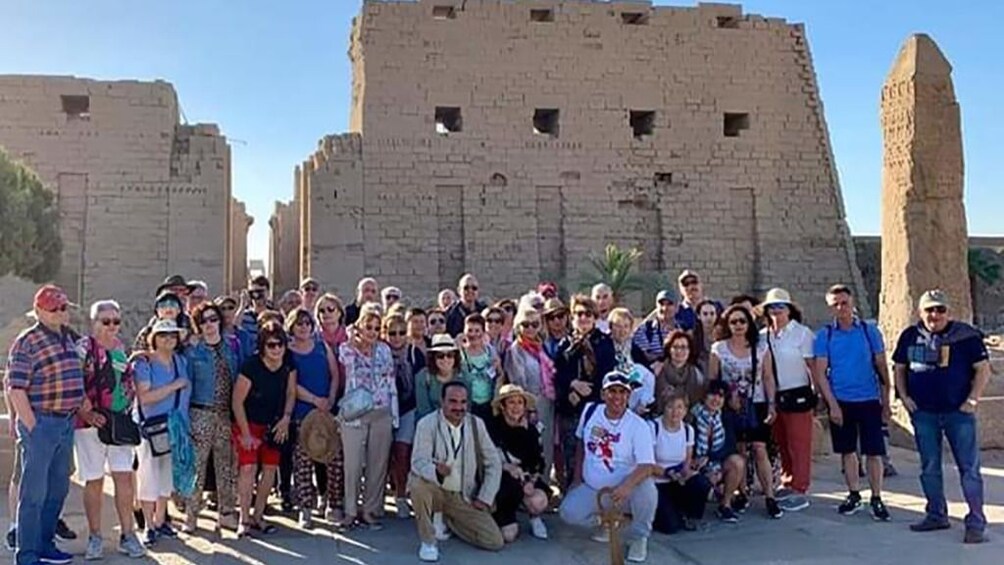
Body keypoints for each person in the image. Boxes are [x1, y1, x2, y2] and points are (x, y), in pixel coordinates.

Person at [893, 290, 990, 544]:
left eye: (940, 310)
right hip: (924, 412)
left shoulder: (966, 337)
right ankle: (936, 514)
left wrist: (973, 399)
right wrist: (904, 397)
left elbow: (982, 370)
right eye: (929, 310)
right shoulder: (910, 336)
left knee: (968, 468)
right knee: (929, 467)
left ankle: (976, 522)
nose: (934, 315)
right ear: (920, 312)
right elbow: (900, 368)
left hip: (958, 412)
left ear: (948, 311)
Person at [4, 285, 85, 565]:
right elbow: (16, 388)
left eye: (64, 307)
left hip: (65, 423)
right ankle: (26, 555)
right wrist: (32, 427)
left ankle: (45, 544)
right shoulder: (27, 342)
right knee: (33, 493)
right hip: (42, 423)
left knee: (58, 489)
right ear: (38, 311)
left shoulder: (69, 338)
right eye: (55, 308)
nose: (62, 313)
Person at [71, 300, 145, 559]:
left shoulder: (120, 349)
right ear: (94, 322)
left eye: (116, 320)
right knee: (94, 480)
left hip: (119, 423)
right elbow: (72, 380)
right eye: (106, 321)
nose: (112, 326)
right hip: (90, 425)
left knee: (124, 477)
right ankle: (95, 536)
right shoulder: (83, 348)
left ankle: (128, 534)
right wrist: (85, 411)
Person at [812, 284, 892, 521]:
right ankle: (854, 493)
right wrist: (832, 404)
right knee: (847, 451)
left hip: (868, 398)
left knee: (874, 452)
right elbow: (820, 372)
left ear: (852, 302)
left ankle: (876, 496)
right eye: (835, 304)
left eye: (844, 303)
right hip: (842, 400)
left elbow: (881, 368)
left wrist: (886, 402)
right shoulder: (825, 335)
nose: (840, 308)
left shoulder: (869, 331)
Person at [559, 371, 656, 563]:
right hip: (594, 488)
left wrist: (626, 486)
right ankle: (607, 522)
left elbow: (647, 466)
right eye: (612, 391)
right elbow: (581, 445)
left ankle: (639, 537)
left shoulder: (638, 425)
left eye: (622, 392)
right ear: (603, 394)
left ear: (628, 396)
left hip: (625, 491)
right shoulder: (589, 411)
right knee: (567, 513)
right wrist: (577, 479)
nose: (617, 397)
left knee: (648, 490)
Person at [409, 381, 504, 562]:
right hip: (435, 489)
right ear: (442, 401)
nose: (458, 407)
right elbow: (418, 462)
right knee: (417, 484)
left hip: (462, 495)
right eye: (453, 401)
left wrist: (485, 497)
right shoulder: (426, 424)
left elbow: (493, 462)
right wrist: (436, 471)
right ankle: (428, 541)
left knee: (494, 541)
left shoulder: (477, 424)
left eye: (463, 402)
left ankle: (449, 520)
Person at [708, 305, 781, 519]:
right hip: (730, 406)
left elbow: (768, 377)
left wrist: (771, 404)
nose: (738, 325)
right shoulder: (719, 349)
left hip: (756, 403)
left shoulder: (760, 348)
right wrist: (726, 396)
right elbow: (713, 380)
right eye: (734, 322)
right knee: (738, 449)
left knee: (760, 449)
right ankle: (741, 492)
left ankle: (770, 496)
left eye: (742, 321)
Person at [232, 321, 296, 537]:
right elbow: (237, 401)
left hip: (275, 423)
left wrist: (286, 418)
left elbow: (290, 393)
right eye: (271, 345)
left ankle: (258, 516)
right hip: (249, 421)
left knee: (270, 469)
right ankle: (244, 519)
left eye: (280, 344)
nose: (276, 349)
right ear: (263, 346)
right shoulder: (252, 366)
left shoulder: (288, 363)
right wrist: (246, 433)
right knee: (248, 468)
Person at [182, 303, 240, 534]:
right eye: (204, 320)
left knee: (225, 466)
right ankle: (191, 514)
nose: (209, 324)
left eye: (212, 319)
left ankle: (226, 512)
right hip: (201, 412)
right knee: (197, 466)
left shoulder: (230, 349)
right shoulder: (193, 352)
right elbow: (187, 385)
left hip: (225, 414)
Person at [133, 319, 192, 546]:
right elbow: (144, 397)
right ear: (154, 338)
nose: (168, 339)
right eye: (163, 334)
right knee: (148, 476)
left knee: (167, 476)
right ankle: (147, 525)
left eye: (172, 335)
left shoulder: (180, 361)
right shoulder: (144, 364)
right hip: (151, 428)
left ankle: (160, 521)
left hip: (175, 427)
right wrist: (174, 386)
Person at [339, 309, 399, 529]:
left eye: (376, 328)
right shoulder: (347, 348)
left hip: (381, 409)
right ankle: (350, 510)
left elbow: (390, 381)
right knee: (353, 463)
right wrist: (355, 342)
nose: (372, 332)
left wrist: (394, 414)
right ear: (360, 327)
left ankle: (370, 510)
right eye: (368, 327)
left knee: (377, 464)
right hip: (355, 410)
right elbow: (345, 362)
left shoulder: (384, 349)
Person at [759, 288, 816, 513]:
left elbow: (812, 367)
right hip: (774, 395)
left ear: (789, 310)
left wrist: (817, 393)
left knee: (799, 443)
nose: (776, 311)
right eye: (772, 307)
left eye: (780, 307)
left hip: (798, 392)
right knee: (782, 441)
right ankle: (788, 479)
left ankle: (800, 487)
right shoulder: (764, 336)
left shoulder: (802, 334)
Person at [286, 308, 342, 528]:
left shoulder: (322, 346)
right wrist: (314, 400)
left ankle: (333, 503)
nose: (304, 327)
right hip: (303, 412)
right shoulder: (288, 351)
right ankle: (306, 508)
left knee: (334, 459)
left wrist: (329, 398)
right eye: (299, 324)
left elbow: (334, 374)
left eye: (307, 323)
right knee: (303, 463)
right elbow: (290, 383)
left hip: (327, 411)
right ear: (292, 326)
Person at [555, 295, 617, 489]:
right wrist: (573, 384)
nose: (583, 318)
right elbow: (557, 374)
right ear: (572, 317)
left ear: (595, 317)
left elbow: (606, 375)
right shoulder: (565, 344)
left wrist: (585, 391)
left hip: (594, 407)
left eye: (588, 314)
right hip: (570, 407)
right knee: (571, 454)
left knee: (595, 453)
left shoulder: (604, 342)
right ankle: (572, 492)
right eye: (579, 314)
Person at [487, 385, 550, 542]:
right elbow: (484, 459)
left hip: (524, 479)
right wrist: (505, 467)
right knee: (508, 536)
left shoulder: (532, 430)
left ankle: (534, 517)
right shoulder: (491, 427)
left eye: (519, 402)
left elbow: (539, 462)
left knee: (538, 501)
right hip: (500, 482)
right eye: (511, 402)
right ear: (502, 406)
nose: (516, 407)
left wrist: (531, 481)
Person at [503, 307, 557, 482]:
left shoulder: (542, 347)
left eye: (535, 324)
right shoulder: (515, 351)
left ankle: (545, 484)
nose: (530, 329)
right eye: (526, 325)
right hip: (527, 407)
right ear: (518, 326)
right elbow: (518, 382)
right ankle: (529, 488)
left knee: (546, 446)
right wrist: (528, 409)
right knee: (530, 447)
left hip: (547, 403)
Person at [651, 394, 713, 534]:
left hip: (677, 480)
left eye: (680, 407)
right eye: (670, 407)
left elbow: (687, 458)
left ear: (685, 411)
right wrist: (667, 473)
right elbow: (647, 463)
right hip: (656, 481)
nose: (675, 412)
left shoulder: (687, 430)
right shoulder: (653, 428)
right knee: (671, 527)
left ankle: (690, 515)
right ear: (664, 409)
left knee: (701, 483)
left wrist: (686, 472)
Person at [385, 314, 424, 519]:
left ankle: (401, 496)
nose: (397, 337)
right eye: (392, 333)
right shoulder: (380, 352)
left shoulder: (414, 353)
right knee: (383, 455)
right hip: (384, 409)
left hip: (407, 408)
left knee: (402, 453)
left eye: (401, 332)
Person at [691, 380, 746, 523]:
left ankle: (725, 505)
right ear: (704, 396)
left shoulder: (725, 417)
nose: (716, 399)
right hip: (692, 463)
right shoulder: (691, 416)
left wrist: (711, 461)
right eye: (712, 395)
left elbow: (730, 447)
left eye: (720, 396)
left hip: (714, 463)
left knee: (737, 462)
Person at [608, 308, 656, 416]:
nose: (622, 330)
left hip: (633, 394)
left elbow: (647, 374)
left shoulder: (635, 349)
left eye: (626, 326)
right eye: (618, 326)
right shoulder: (604, 346)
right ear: (611, 327)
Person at [459, 313, 501, 420]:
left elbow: (500, 375)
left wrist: (497, 367)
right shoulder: (460, 354)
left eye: (477, 330)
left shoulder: (490, 351)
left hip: (489, 403)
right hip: (469, 404)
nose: (473, 334)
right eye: (470, 330)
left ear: (483, 332)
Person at [655, 330, 706, 411]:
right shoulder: (657, 370)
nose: (679, 351)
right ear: (669, 349)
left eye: (683, 347)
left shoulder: (697, 375)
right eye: (675, 347)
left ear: (689, 350)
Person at [415, 335, 462, 419]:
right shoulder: (422, 377)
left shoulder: (463, 376)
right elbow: (423, 410)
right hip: (429, 423)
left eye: (450, 355)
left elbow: (466, 408)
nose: (445, 359)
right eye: (440, 356)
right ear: (433, 358)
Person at [633, 290, 678, 372]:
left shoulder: (681, 330)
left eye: (669, 304)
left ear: (676, 308)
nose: (665, 308)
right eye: (661, 304)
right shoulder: (645, 330)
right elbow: (645, 356)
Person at [238, 275, 272, 345]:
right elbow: (233, 328)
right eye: (253, 292)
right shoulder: (244, 315)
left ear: (268, 293)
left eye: (261, 292)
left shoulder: (274, 315)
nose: (257, 296)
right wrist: (242, 306)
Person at [693, 299, 722, 373]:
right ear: (698, 316)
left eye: (712, 314)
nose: (709, 317)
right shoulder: (693, 336)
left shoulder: (722, 335)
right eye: (705, 314)